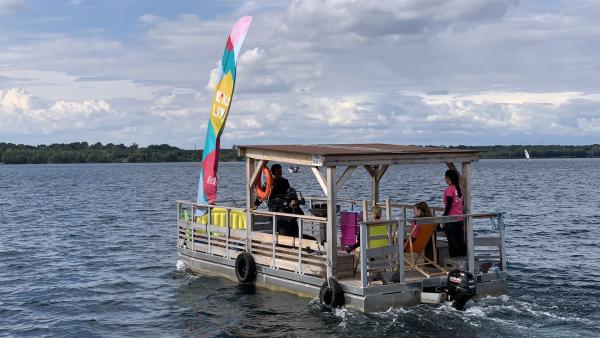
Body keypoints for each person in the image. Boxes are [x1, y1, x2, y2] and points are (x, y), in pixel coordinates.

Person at [254, 163, 303, 237]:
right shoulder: (268, 184)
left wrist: (294, 200)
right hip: (275, 208)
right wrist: (256, 205)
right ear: (273, 173)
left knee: (295, 215)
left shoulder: (285, 181)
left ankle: (295, 236)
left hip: (286, 206)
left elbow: (289, 194)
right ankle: (284, 239)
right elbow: (262, 196)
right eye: (278, 172)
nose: (280, 173)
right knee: (283, 221)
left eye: (280, 171)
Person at [440, 169, 466, 257]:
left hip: (451, 219)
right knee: (460, 240)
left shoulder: (449, 190)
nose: (444, 179)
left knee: (452, 242)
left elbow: (449, 205)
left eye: (445, 177)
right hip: (460, 218)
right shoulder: (459, 189)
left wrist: (444, 217)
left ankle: (454, 259)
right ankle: (463, 257)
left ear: (448, 178)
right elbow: (462, 203)